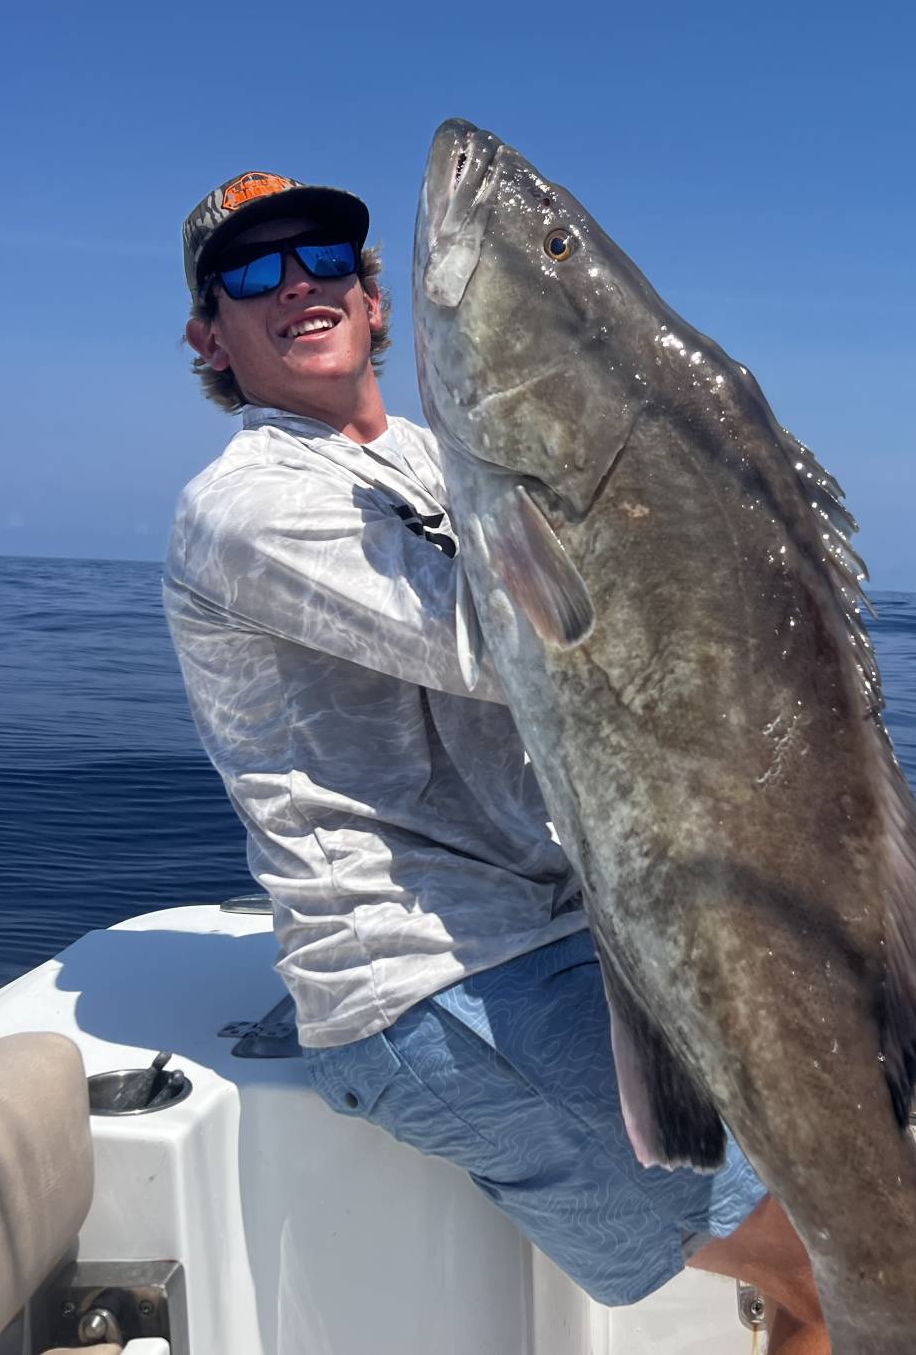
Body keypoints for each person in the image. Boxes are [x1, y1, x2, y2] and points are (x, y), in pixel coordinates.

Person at [164, 169, 829, 1352]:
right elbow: (508, 643)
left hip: (573, 932)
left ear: (375, 302)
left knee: (820, 1191)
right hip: (433, 983)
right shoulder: (245, 503)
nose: (297, 285)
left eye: (323, 258)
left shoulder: (440, 454)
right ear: (209, 336)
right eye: (252, 274)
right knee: (833, 1263)